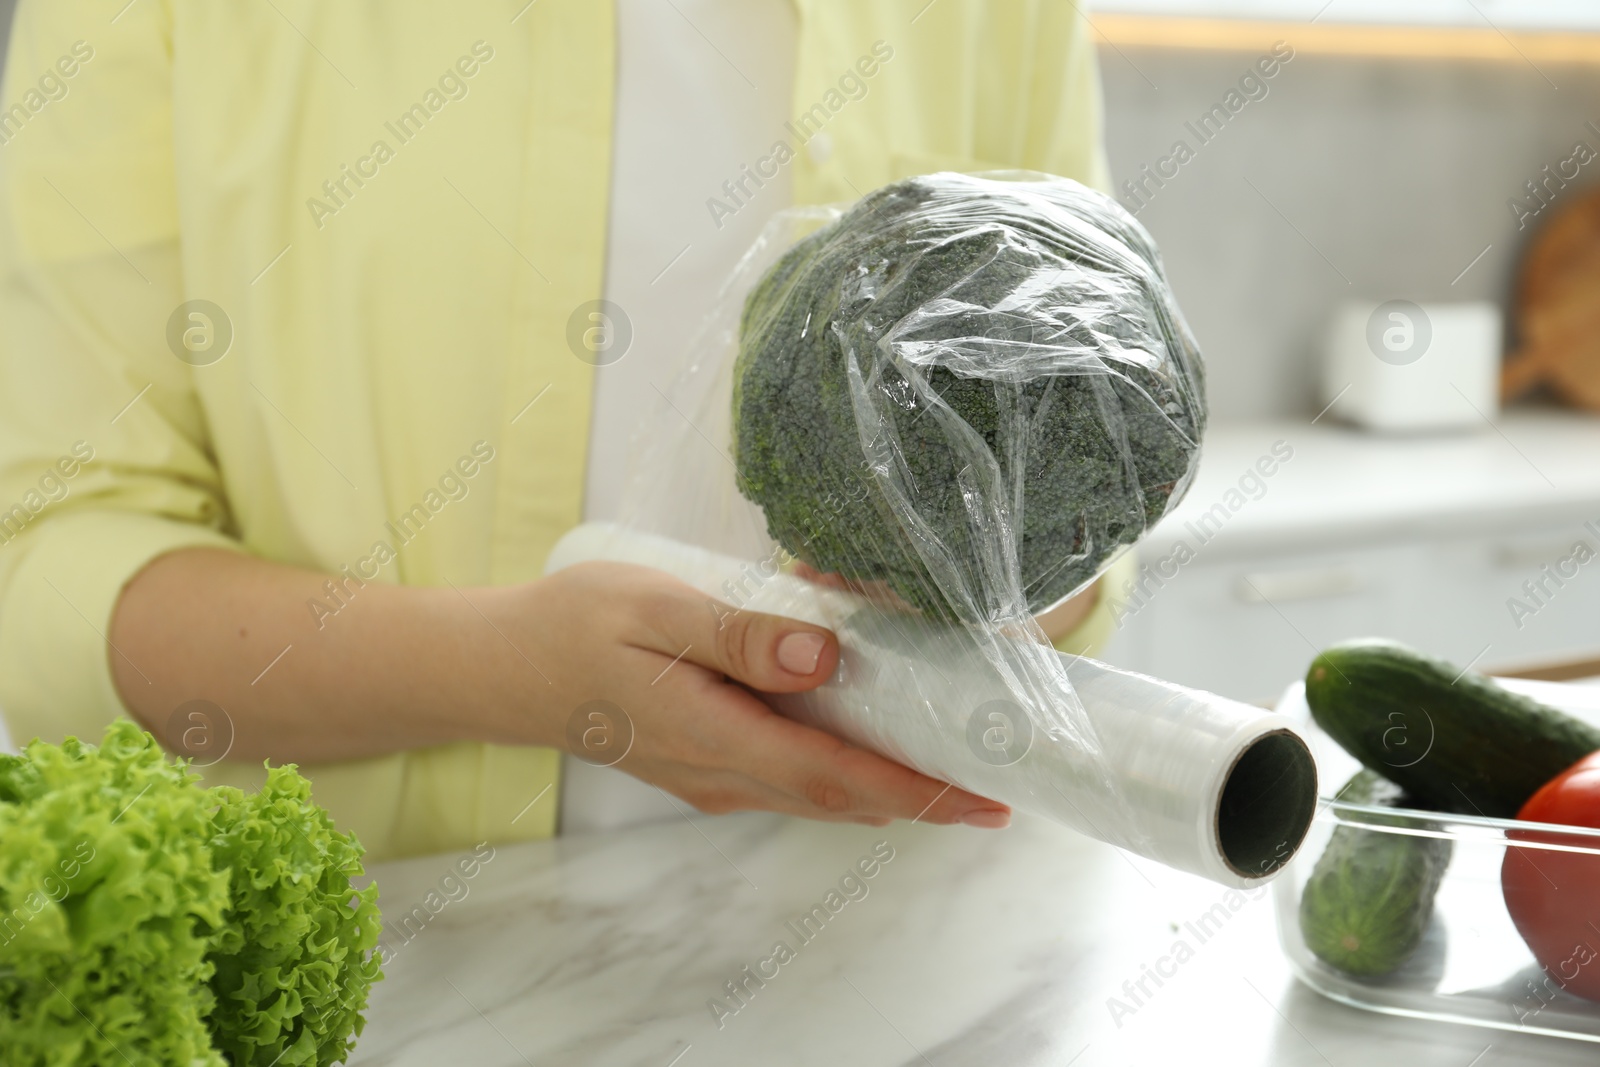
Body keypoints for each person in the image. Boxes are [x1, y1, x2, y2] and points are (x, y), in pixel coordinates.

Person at [0, 0, 1133, 860]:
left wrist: (1012, 577)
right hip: (410, 978)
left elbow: (1093, 459)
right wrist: (495, 673)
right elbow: (46, 566)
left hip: (881, 952)